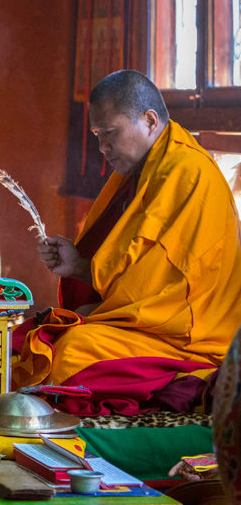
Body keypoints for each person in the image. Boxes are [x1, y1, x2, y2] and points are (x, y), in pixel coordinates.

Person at [12, 70, 241, 416]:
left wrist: (92, 283)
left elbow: (170, 286)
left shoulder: (187, 172)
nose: (103, 148)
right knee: (42, 332)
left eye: (111, 134)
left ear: (149, 121)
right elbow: (139, 264)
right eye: (96, 135)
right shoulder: (147, 167)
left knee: (71, 350)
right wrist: (80, 266)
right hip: (154, 323)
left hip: (192, 340)